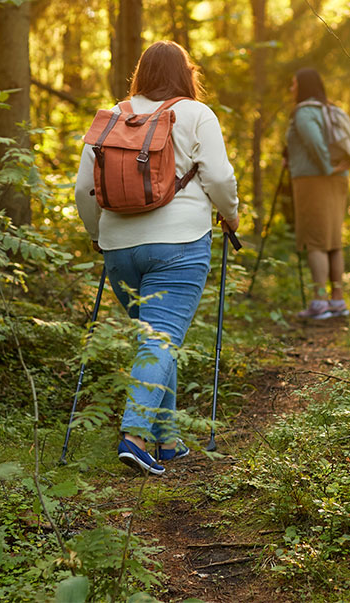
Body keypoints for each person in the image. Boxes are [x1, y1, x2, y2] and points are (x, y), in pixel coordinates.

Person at [75, 41, 240, 475]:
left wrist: (97, 235)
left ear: (140, 73)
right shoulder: (196, 114)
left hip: (118, 248)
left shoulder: (113, 116)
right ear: (186, 74)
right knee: (161, 339)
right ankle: (135, 435)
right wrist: (232, 215)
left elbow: (83, 190)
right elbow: (220, 177)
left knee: (154, 338)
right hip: (180, 243)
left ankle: (166, 440)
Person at [284, 67, 349, 319]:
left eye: (293, 84)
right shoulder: (329, 109)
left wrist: (325, 168)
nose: (291, 89)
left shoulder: (304, 113)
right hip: (337, 180)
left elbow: (314, 142)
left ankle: (320, 301)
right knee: (333, 240)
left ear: (303, 86)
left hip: (315, 181)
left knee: (315, 241)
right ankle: (337, 300)